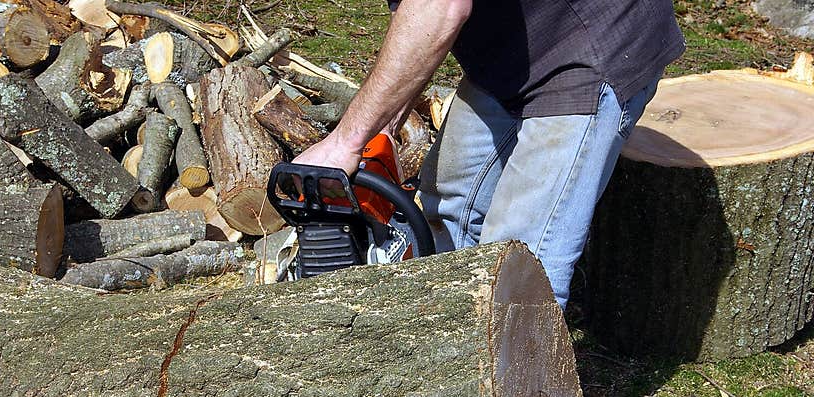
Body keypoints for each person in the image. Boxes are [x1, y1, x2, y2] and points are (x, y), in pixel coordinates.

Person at [292, 0, 686, 309]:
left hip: (593, 46)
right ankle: (444, 350)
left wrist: (346, 141)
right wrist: (383, 130)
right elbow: (418, 24)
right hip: (510, 46)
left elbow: (440, 8)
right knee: (447, 208)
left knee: (519, 263)